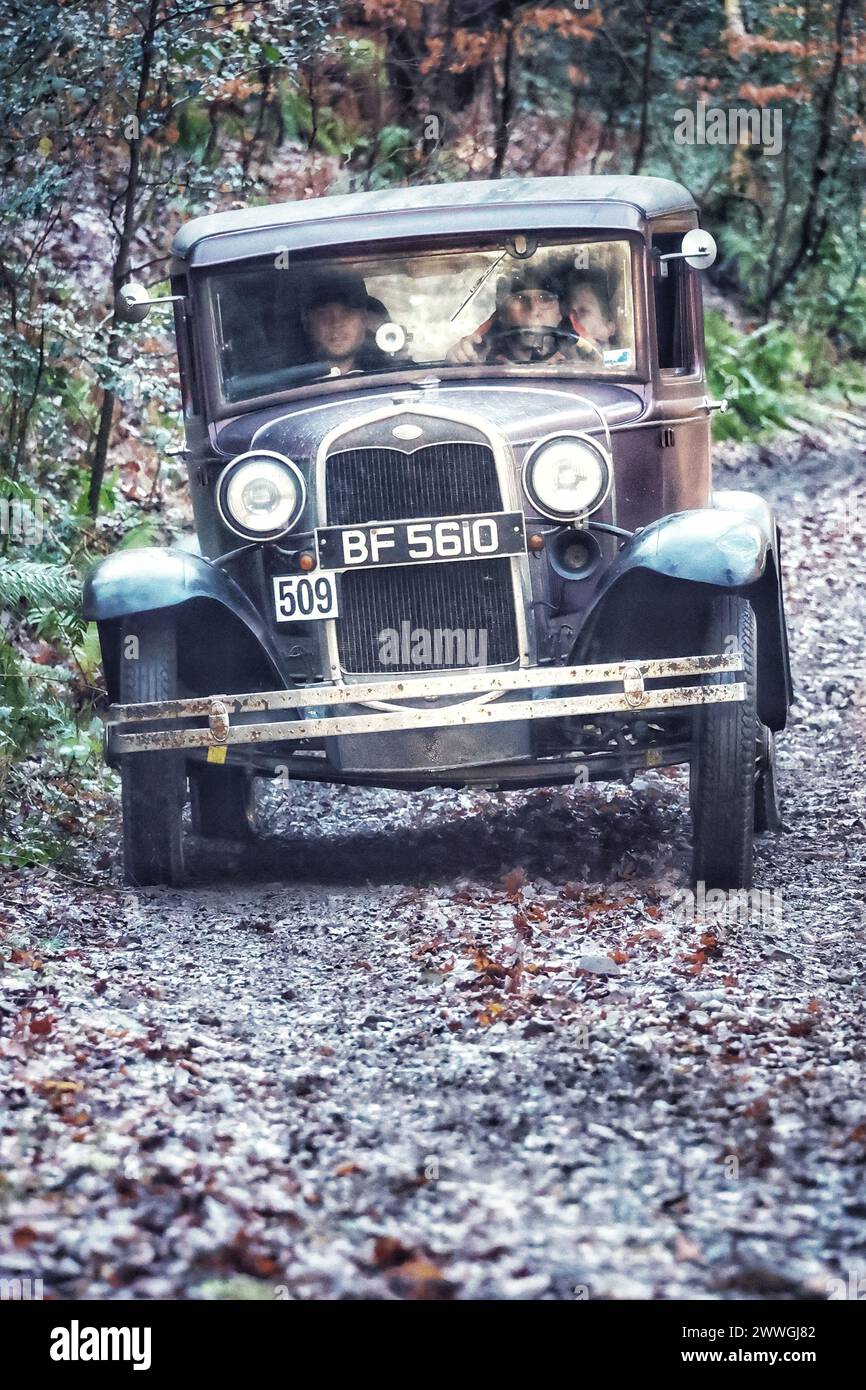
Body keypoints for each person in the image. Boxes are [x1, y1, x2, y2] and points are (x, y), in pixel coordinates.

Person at [446, 266, 568, 365]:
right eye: (520, 298)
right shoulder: (481, 357)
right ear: (501, 313)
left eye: (545, 299)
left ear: (560, 313)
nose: (533, 310)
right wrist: (461, 358)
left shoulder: (582, 360)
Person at [300, 271, 391, 375]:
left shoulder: (393, 379)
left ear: (364, 319)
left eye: (347, 312)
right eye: (324, 314)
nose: (336, 323)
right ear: (306, 320)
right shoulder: (288, 385)